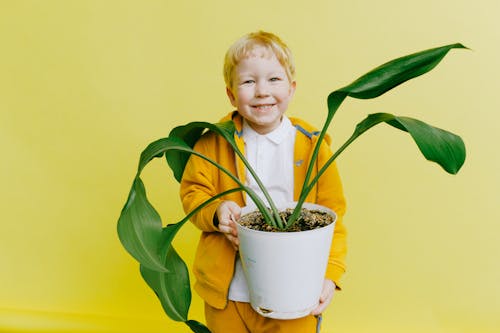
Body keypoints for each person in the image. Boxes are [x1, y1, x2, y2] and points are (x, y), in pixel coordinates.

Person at [180, 30, 347, 333]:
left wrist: (330, 274)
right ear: (231, 94)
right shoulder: (214, 143)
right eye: (248, 82)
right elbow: (193, 191)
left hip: (295, 291)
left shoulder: (313, 147)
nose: (261, 91)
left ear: (292, 89)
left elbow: (333, 215)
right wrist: (217, 211)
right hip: (229, 294)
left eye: (274, 80)